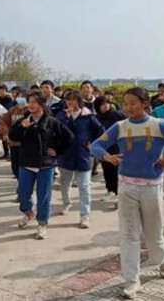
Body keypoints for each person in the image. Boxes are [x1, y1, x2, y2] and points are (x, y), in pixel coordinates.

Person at [91, 87, 164, 299]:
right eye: (126, 103)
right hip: (126, 186)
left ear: (145, 104)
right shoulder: (120, 126)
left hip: (151, 187)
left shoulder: (158, 125)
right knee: (128, 235)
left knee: (153, 234)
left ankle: (163, 259)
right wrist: (107, 157)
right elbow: (96, 145)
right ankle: (132, 280)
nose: (128, 107)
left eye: (133, 103)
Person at [10, 92, 74, 240]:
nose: (31, 105)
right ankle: (28, 212)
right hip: (26, 163)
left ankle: (42, 224)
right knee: (23, 195)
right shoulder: (23, 120)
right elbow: (13, 136)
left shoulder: (52, 122)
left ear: (41, 104)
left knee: (44, 197)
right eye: (29, 102)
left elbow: (69, 138)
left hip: (46, 164)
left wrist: (57, 151)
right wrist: (22, 128)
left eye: (34, 102)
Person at [55, 91, 105, 228]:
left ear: (79, 101)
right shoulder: (61, 115)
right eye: (67, 100)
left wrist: (93, 143)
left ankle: (85, 216)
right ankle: (66, 203)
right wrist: (67, 118)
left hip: (83, 155)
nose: (70, 102)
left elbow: (101, 130)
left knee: (84, 186)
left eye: (73, 99)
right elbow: (58, 131)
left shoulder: (88, 116)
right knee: (65, 184)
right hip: (66, 156)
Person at [94, 96, 127, 207]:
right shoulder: (96, 118)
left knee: (116, 170)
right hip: (103, 147)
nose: (106, 106)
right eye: (103, 104)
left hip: (117, 146)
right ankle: (110, 190)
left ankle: (118, 194)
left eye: (107, 103)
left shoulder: (117, 115)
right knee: (107, 170)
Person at [0, 93, 28, 182]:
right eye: (18, 97)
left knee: (25, 166)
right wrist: (5, 133)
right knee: (15, 166)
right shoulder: (12, 110)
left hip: (26, 143)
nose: (20, 99)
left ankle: (24, 184)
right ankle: (20, 181)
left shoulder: (29, 110)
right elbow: (2, 121)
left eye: (22, 97)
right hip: (14, 142)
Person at [0, 85, 14, 158]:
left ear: (6, 91)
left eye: (3, 90)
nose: (1, 92)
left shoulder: (10, 100)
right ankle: (6, 153)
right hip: (2, 121)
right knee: (3, 136)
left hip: (9, 120)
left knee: (10, 136)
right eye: (0, 90)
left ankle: (11, 153)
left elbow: (10, 109)